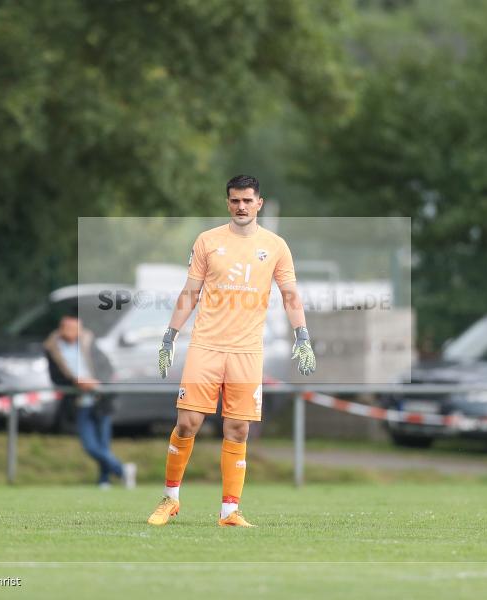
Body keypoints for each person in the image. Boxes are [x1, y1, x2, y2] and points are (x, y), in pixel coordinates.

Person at [148, 174, 316, 527]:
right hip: (206, 346)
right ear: (228, 203)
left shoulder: (276, 246)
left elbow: (290, 295)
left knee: (238, 429)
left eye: (247, 200)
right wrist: (169, 337)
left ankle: (229, 512)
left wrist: (302, 336)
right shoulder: (208, 241)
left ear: (259, 203)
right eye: (235, 200)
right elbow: (190, 292)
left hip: (247, 352)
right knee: (187, 423)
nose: (241, 206)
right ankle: (170, 499)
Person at [44, 311, 135, 489]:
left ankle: (104, 480)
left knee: (103, 444)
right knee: (90, 446)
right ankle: (123, 470)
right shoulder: (52, 348)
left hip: (101, 400)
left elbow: (106, 367)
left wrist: (97, 383)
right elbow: (56, 377)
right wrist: (76, 382)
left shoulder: (89, 342)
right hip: (79, 402)